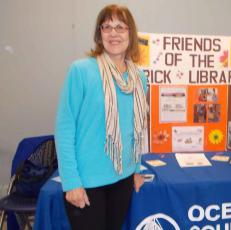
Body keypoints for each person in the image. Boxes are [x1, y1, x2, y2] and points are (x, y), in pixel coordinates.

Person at [55, 4, 148, 230]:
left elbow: (134, 129)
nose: (113, 33)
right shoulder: (81, 71)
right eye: (106, 27)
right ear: (99, 34)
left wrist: (136, 169)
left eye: (120, 27)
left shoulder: (139, 77)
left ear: (130, 33)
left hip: (123, 178)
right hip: (87, 183)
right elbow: (65, 128)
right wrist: (71, 182)